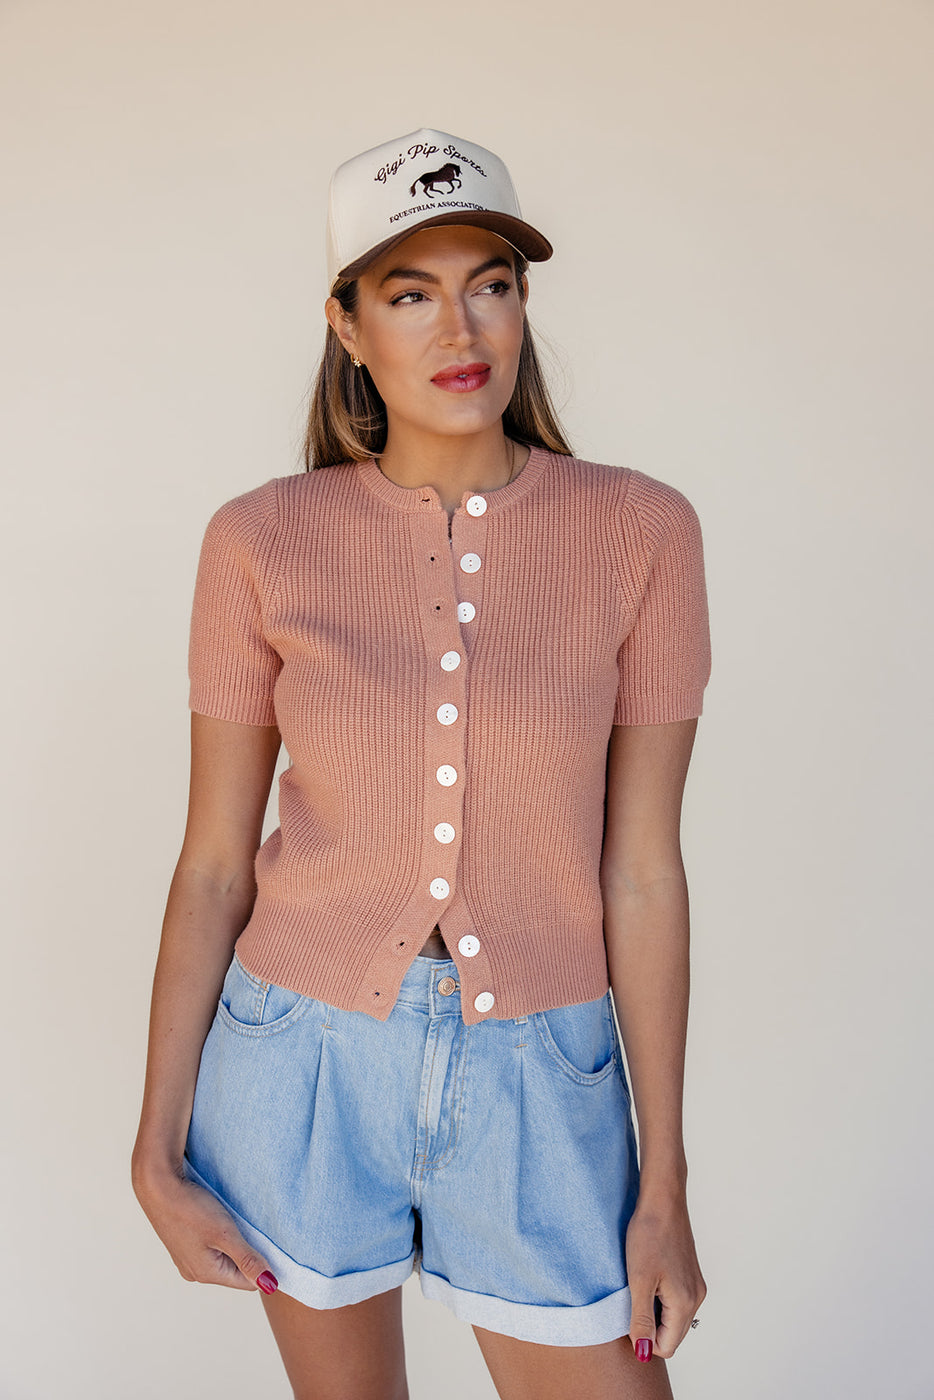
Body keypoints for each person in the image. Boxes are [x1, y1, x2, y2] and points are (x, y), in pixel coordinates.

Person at [132, 128, 710, 1400]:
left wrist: (662, 1180)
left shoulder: (640, 531)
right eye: (409, 293)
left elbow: (643, 870)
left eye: (489, 283)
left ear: (522, 302)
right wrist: (154, 1149)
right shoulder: (260, 540)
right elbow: (215, 862)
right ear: (346, 325)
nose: (461, 326)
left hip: (545, 1071)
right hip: (302, 1056)